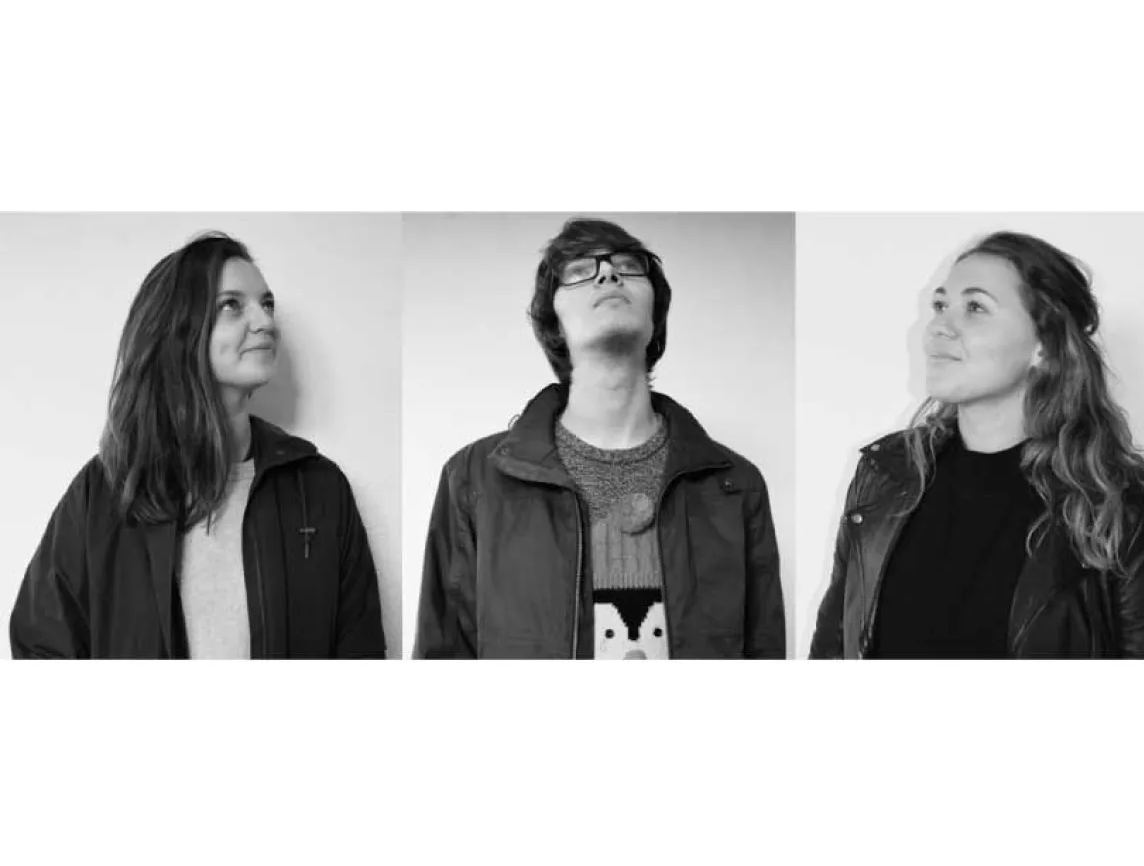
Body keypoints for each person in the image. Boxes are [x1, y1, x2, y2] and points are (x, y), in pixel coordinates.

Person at [414, 217, 786, 659]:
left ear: (655, 314)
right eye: (579, 271)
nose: (608, 274)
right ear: (554, 322)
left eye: (629, 266)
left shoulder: (736, 485)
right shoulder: (474, 479)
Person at [810, 230, 1144, 659]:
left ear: (1044, 346)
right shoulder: (886, 473)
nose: (938, 327)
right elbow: (832, 648)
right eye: (940, 306)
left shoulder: (1117, 504)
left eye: (975, 307)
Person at [11, 232, 386, 658]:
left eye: (267, 304)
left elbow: (362, 653)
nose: (265, 322)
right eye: (232, 305)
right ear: (178, 329)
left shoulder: (319, 489)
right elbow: (41, 650)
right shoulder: (104, 492)